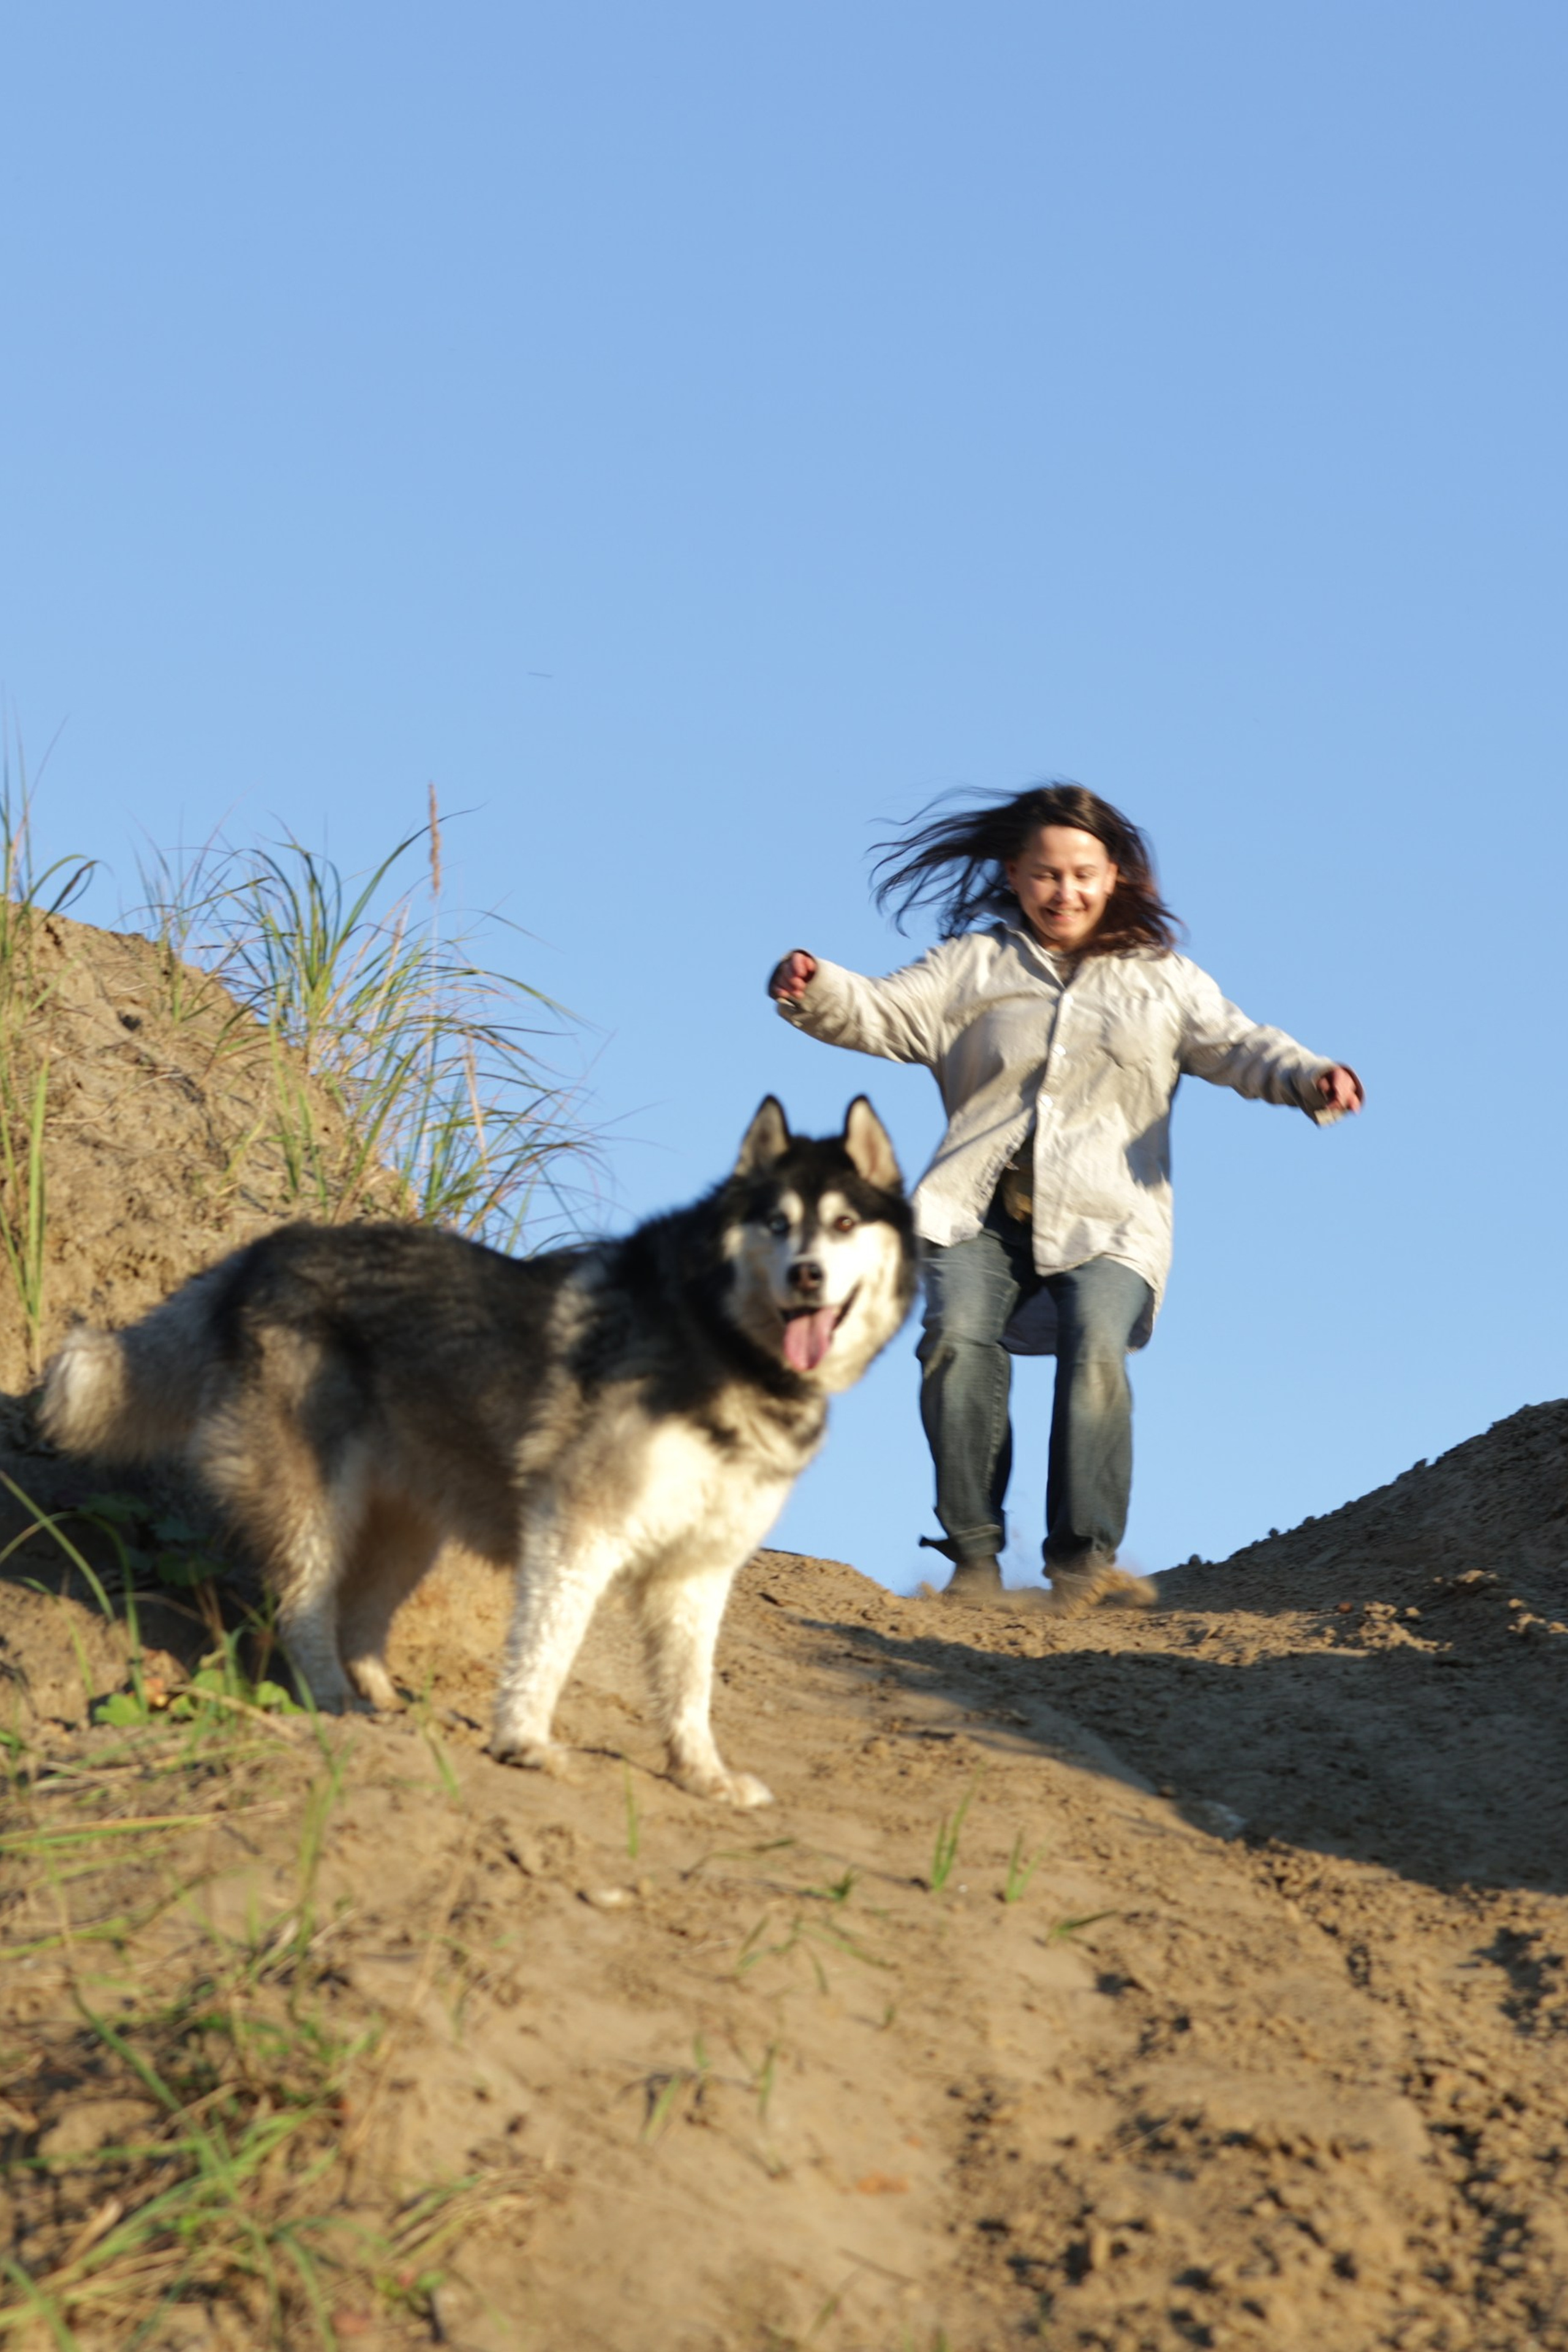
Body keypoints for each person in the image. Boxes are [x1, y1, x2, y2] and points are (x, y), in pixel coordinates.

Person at [766, 783, 1363, 1613]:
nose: (1065, 892)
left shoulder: (1164, 980)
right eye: (1045, 874)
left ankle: (1083, 1564)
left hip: (1111, 1217)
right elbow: (879, 1011)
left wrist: (1308, 1078)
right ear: (1014, 874)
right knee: (955, 1341)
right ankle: (971, 1555)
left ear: (1113, 875)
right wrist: (815, 985)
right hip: (975, 1214)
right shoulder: (970, 966)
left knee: (1095, 1352)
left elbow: (1240, 1046)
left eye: (1083, 873)